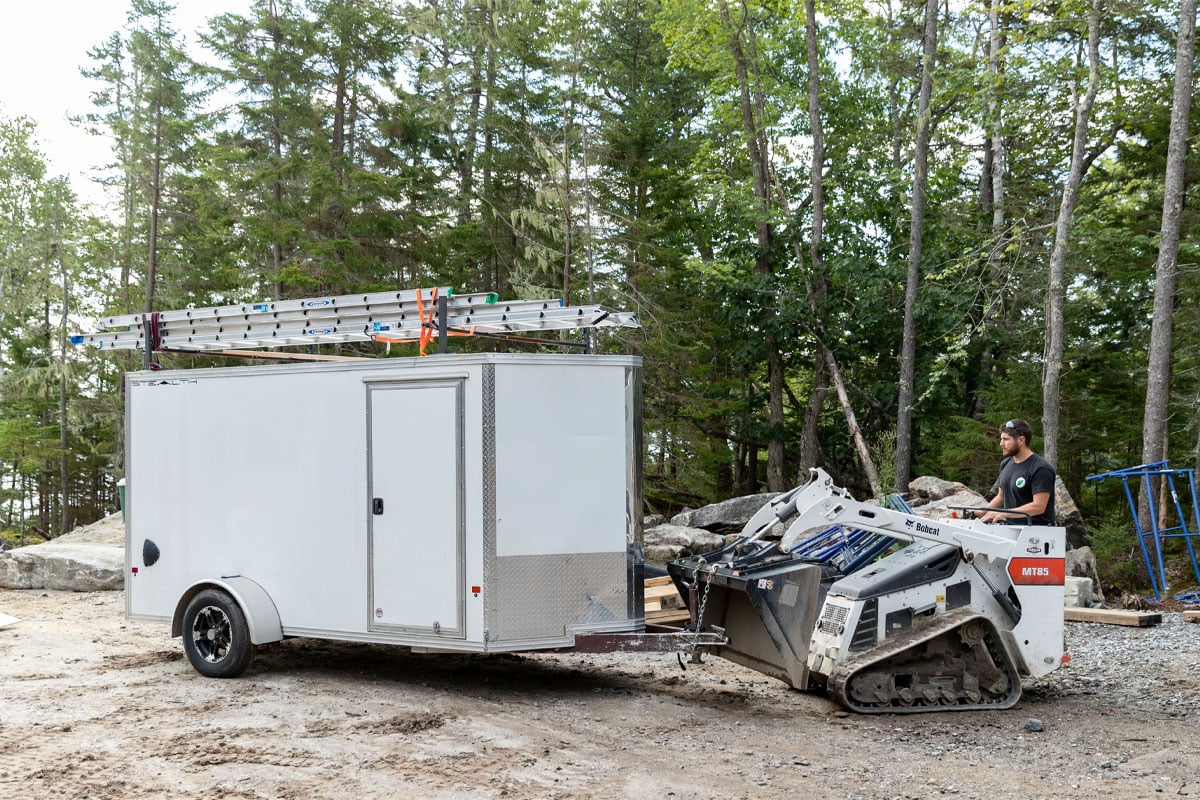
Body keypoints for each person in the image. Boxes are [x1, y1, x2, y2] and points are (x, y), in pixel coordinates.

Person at [979, 418, 1056, 525]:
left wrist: (1005, 514)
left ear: (1020, 440)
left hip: (1037, 533)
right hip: (1010, 529)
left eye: (1006, 439)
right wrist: (980, 512)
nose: (1001, 444)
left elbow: (1039, 506)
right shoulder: (1005, 464)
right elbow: (1001, 496)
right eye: (1001, 439)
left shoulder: (1041, 469)